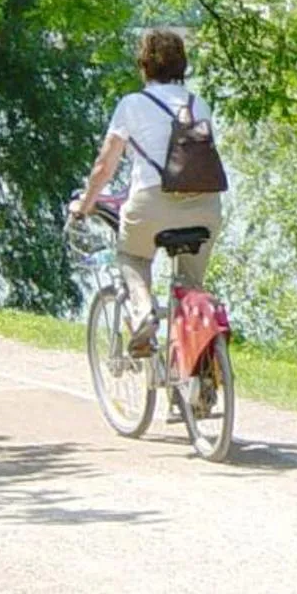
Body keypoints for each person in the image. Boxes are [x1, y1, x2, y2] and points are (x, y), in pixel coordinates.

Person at [70, 28, 226, 355]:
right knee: (190, 287)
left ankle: (142, 314)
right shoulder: (201, 105)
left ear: (144, 65)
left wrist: (84, 206)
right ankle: (200, 379)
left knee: (132, 256)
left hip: (152, 205)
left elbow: (104, 167)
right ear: (182, 65)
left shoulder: (132, 104)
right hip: (206, 208)